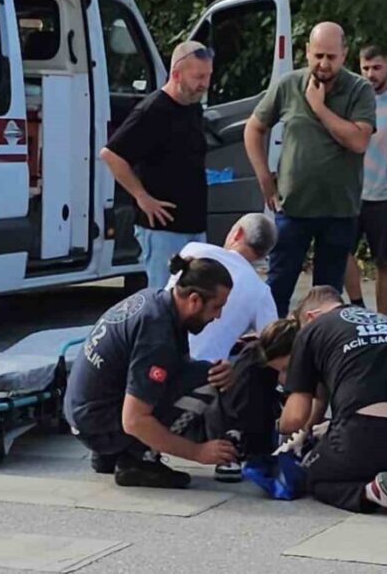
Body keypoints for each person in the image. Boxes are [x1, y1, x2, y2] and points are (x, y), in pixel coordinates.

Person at [262, 286, 387, 516]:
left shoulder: (309, 332)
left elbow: (295, 419)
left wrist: (275, 430)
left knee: (312, 474)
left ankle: (372, 492)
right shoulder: (382, 320)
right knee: (376, 436)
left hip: (366, 434)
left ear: (310, 317)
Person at [64, 256, 239, 488]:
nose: (218, 316)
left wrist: (220, 369)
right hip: (98, 424)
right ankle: (138, 460)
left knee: (207, 372)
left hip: (83, 414)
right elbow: (134, 420)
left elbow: (177, 369)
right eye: (216, 307)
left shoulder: (156, 302)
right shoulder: (158, 336)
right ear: (194, 300)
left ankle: (111, 454)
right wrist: (197, 452)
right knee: (207, 381)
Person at [244, 22, 377, 317]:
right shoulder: (288, 84)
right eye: (318, 56)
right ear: (306, 52)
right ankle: (269, 349)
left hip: (339, 210)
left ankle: (320, 354)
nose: (323, 64)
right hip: (293, 208)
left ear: (344, 54)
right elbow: (254, 128)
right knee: (277, 287)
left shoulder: (359, 89)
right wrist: (264, 177)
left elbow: (358, 141)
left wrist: (318, 108)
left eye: (331, 56)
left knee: (327, 297)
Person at [101, 41, 213, 289]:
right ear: (176, 74)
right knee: (165, 296)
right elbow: (111, 155)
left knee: (196, 296)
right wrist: (142, 197)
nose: (204, 84)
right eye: (198, 77)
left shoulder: (193, 108)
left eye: (208, 76)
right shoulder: (152, 111)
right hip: (163, 228)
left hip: (194, 223)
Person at [168, 212, 279, 362]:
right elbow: (275, 343)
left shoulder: (192, 250)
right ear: (264, 253)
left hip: (163, 355)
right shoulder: (260, 291)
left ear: (237, 233)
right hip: (209, 372)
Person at [345, 45, 387, 314]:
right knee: (342, 252)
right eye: (365, 68)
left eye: (377, 67)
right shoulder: (351, 97)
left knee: (385, 261)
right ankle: (357, 305)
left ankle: (383, 317)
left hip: (386, 193)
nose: (371, 74)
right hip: (352, 192)